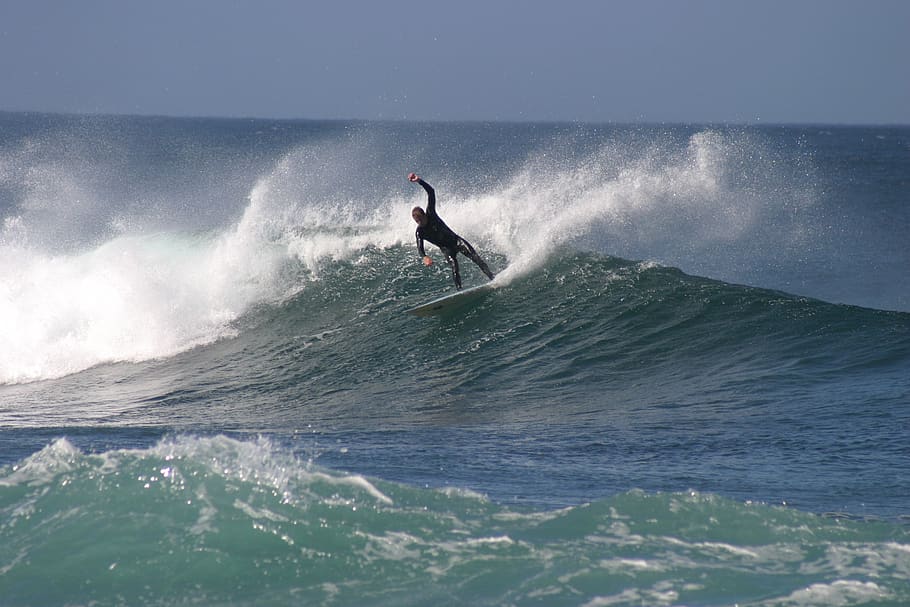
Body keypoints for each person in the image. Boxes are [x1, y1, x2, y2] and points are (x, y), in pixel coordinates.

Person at [408, 172, 494, 290]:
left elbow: (431, 192)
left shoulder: (431, 213)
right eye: (417, 222)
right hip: (446, 249)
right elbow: (420, 248)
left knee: (476, 259)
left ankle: (493, 279)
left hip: (456, 241)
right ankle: (460, 291)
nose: (420, 223)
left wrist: (419, 181)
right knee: (455, 269)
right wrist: (424, 257)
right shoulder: (420, 232)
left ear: (424, 215)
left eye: (420, 220)